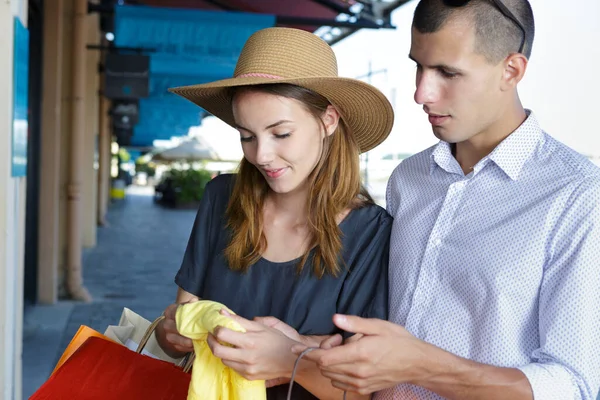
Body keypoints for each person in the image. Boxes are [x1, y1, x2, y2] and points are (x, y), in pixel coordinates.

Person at [296, 0, 600, 399]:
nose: (421, 92)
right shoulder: (408, 180)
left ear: (511, 70)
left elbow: (573, 385)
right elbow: (392, 333)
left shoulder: (578, 195)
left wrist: (420, 365)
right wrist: (301, 348)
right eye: (418, 66)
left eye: (448, 72)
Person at [154, 27, 395, 400]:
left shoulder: (371, 232)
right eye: (246, 136)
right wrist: (170, 333)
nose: (261, 155)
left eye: (280, 134)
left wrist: (288, 359)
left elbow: (360, 391)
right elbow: (180, 324)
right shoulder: (221, 198)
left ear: (328, 121)